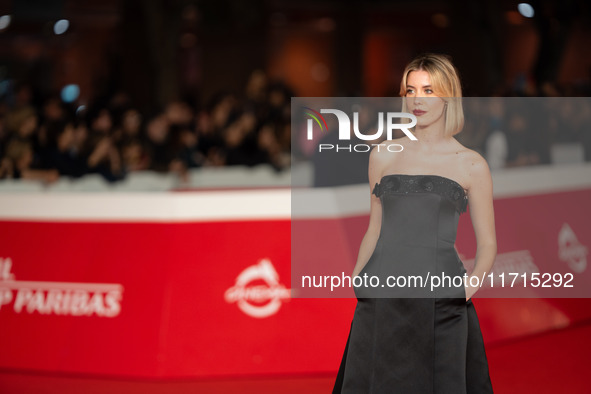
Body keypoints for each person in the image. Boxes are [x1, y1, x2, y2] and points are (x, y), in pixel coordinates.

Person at [332, 53, 496, 393]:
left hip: (442, 296)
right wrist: (358, 278)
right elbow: (374, 227)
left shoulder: (471, 164)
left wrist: (469, 287)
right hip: (382, 294)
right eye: (410, 90)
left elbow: (488, 242)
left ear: (449, 95)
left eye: (428, 90)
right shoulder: (383, 154)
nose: (417, 99)